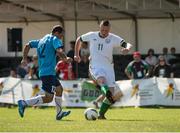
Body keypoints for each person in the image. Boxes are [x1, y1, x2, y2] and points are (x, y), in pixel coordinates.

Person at [74, 20, 132, 119]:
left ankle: (101, 114)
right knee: (101, 80)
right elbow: (79, 40)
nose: (104, 32)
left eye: (106, 30)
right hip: (95, 66)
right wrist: (76, 54)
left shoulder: (113, 38)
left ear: (109, 29)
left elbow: (127, 44)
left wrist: (127, 49)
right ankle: (107, 93)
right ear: (100, 28)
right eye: (102, 30)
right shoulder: (92, 35)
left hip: (109, 67)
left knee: (113, 94)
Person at [17, 25, 71, 120]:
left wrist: (24, 58)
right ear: (57, 33)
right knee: (48, 98)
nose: (61, 38)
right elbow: (59, 50)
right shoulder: (55, 39)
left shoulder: (42, 40)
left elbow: (27, 45)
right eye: (61, 35)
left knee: (59, 90)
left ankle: (59, 113)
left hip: (44, 72)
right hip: (48, 73)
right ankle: (24, 103)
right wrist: (65, 58)